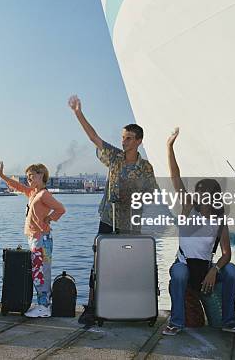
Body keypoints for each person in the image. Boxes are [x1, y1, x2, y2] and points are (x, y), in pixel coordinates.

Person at [68, 95, 158, 325]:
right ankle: (92, 307)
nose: (124, 142)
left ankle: (132, 307)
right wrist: (78, 114)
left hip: (131, 224)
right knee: (98, 262)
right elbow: (94, 137)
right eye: (122, 138)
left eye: (128, 139)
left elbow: (152, 194)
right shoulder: (115, 158)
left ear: (139, 141)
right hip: (109, 219)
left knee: (131, 263)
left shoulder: (145, 168)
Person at [162, 127, 235, 335]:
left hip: (205, 269)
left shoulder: (220, 221)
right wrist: (169, 146)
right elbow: (175, 177)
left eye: (205, 193)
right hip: (184, 265)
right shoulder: (188, 207)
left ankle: (231, 321)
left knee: (232, 271)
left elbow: (227, 254)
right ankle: (176, 323)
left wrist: (215, 270)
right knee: (178, 273)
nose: (200, 195)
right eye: (199, 191)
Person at [0, 162, 66, 317]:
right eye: (27, 177)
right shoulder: (34, 193)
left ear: (41, 175)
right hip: (35, 237)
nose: (28, 179)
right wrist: (2, 176)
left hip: (41, 238)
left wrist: (49, 218)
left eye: (31, 176)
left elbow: (61, 208)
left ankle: (44, 306)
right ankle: (42, 302)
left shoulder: (44, 195)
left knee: (41, 271)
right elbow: (18, 186)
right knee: (38, 270)